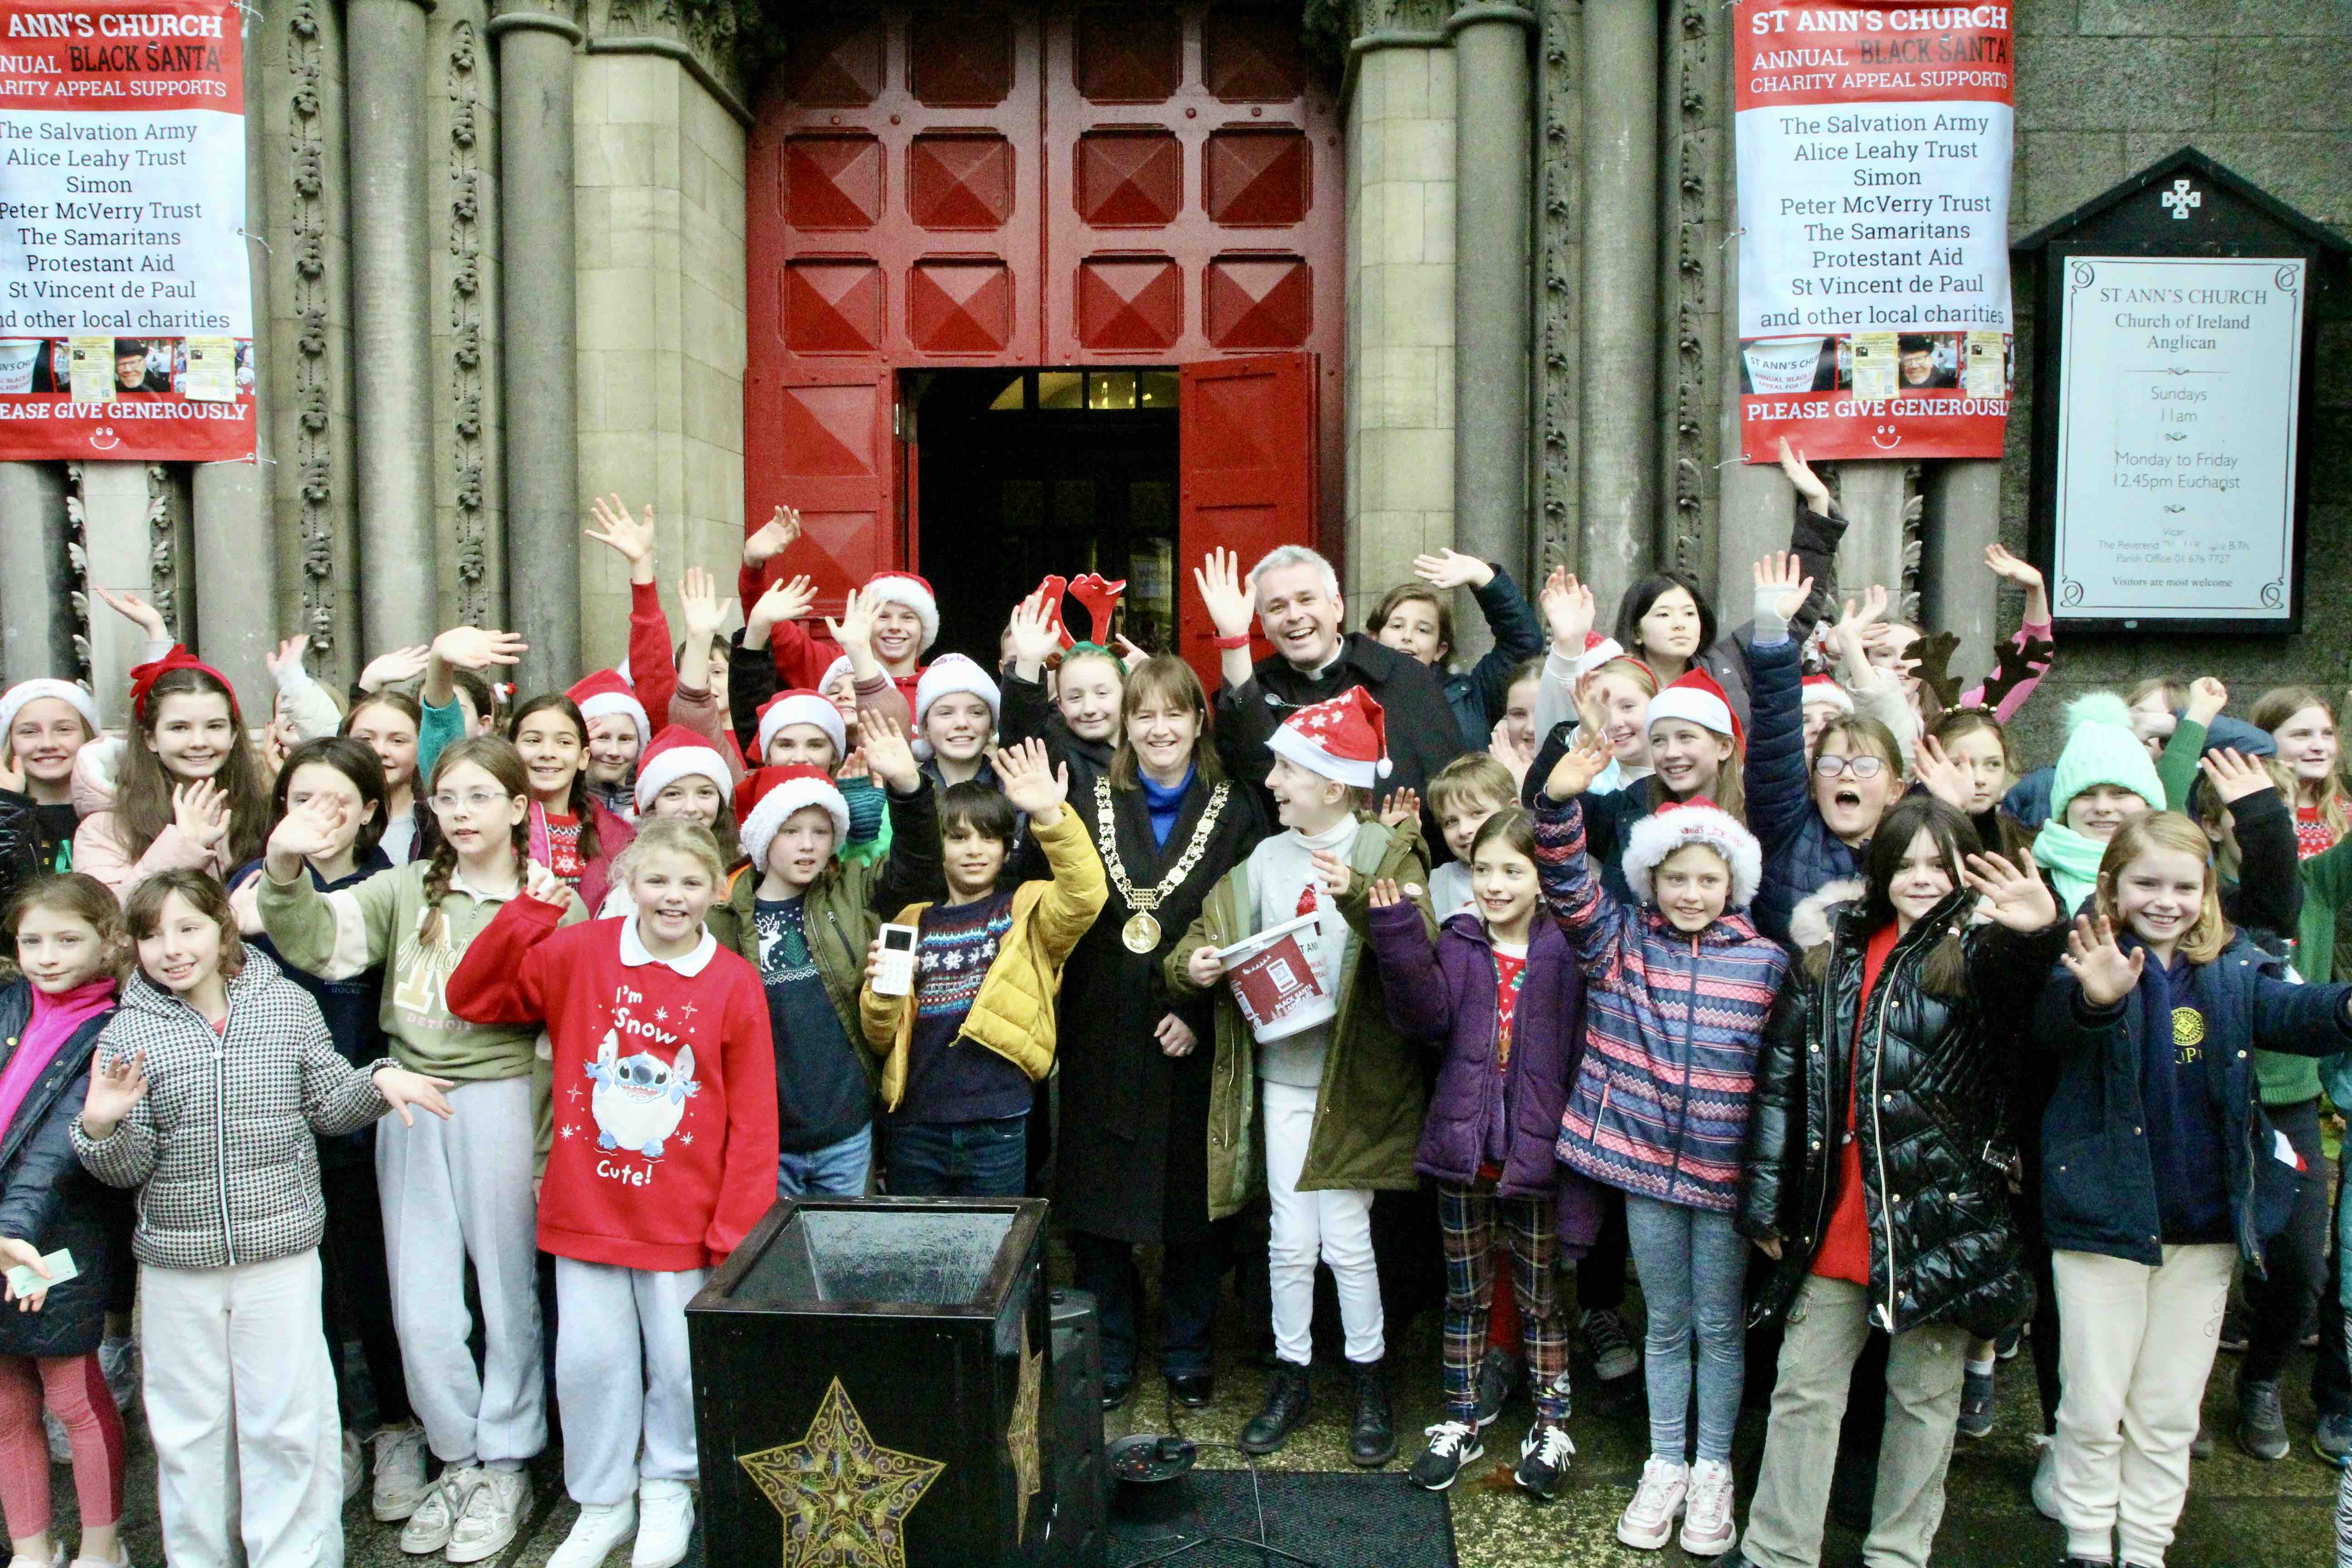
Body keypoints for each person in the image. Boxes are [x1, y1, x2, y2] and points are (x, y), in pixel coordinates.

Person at [259, 737, 587, 1563]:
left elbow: (563, 1037)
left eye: (482, 796)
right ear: (432, 811)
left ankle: (507, 1461)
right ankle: (456, 1453)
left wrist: (549, 1145)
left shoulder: (556, 901)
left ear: (519, 808)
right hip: (408, 1097)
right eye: (449, 798)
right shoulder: (406, 888)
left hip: (504, 1098)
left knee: (509, 1291)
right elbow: (317, 943)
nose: (463, 812)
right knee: (421, 1303)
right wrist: (285, 868)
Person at [73, 869, 452, 1568]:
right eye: (153, 936)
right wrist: (100, 1126)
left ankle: (295, 1557)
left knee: (287, 1422)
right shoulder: (128, 1030)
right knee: (189, 1433)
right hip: (176, 1265)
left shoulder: (285, 1007)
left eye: (188, 928)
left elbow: (328, 1104)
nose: (172, 949)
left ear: (223, 929)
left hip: (278, 1254)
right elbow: (127, 1168)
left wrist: (377, 1081)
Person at [1731, 797, 2063, 1568]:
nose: (1920, 878)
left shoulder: (1980, 954)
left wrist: (2040, 932)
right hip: (1835, 1210)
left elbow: (2026, 1003)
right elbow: (1782, 1080)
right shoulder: (1830, 953)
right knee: (1803, 1387)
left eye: (1936, 863)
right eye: (1903, 863)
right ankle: (1777, 1547)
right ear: (1878, 871)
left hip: (1938, 1216)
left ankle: (1897, 1551)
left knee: (1922, 1398)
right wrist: (1765, 1196)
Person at [448, 819, 779, 1568]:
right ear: (628, 882)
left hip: (683, 1221)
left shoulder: (732, 981)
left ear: (714, 890)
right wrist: (530, 912)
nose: (672, 897)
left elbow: (755, 1119)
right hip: (588, 1209)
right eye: (656, 879)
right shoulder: (581, 952)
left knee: (675, 1361)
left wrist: (735, 1233)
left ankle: (666, 1484)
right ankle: (600, 1500)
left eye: (691, 883)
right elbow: (474, 995)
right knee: (591, 1364)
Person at [2034, 813, 2352, 1568]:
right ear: (2111, 885)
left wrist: (2341, 1007)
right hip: (2100, 1221)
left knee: (2167, 1411)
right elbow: (2051, 1029)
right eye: (2145, 883)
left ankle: (2143, 1549)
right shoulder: (2082, 955)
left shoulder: (2234, 964)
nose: (2164, 899)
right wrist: (2098, 999)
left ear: (2206, 890)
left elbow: (2292, 1012)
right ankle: (2084, 1543)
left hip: (2205, 1225)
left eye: (2183, 885)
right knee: (2088, 1406)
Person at [1532, 731, 1787, 1558]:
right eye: (1674, 878)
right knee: (1664, 1322)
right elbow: (1568, 886)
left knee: (1719, 1325)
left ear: (1732, 885)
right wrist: (1557, 803)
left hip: (1720, 1178)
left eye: (1706, 879)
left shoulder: (1763, 964)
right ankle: (1664, 1460)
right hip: (1644, 1167)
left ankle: (1712, 1466)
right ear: (1649, 880)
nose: (1688, 892)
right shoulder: (1617, 946)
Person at [1167, 688, 1429, 1468]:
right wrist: (1196, 965)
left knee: (1346, 1241)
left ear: (1334, 784)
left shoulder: (1384, 852)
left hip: (1349, 1082)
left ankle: (1367, 1377)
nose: (1272, 781)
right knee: (1287, 1239)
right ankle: (1292, 1374)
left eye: (1287, 769)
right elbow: (1189, 943)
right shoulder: (1262, 860)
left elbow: (1417, 958)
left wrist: (1362, 906)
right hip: (1278, 1077)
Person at [1038, 655, 1266, 1411]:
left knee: (1188, 1206)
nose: (1159, 729)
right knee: (1100, 1206)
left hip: (1191, 1028)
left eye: (1174, 713)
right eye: (1144, 715)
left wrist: (1199, 1013)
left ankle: (1187, 1349)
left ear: (1200, 720)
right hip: (1099, 1024)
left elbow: (1246, 923)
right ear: (1124, 725)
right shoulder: (1087, 795)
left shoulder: (1234, 807)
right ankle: (1109, 1350)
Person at [1365, 808, 1593, 1500]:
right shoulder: (1463, 940)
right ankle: (1460, 1418)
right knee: (1464, 1295)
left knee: (1541, 1299)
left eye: (1511, 871)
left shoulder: (1566, 951)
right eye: (1483, 869)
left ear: (1542, 877)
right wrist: (1401, 939)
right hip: (1464, 1152)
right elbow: (1425, 1017)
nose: (1494, 885)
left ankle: (1554, 1423)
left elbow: (1582, 1052)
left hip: (1537, 1158)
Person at [226, 738, 427, 1519]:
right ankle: (330, 1428)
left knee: (373, 1281)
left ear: (374, 810)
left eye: (338, 799)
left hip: (369, 1107)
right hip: (274, 1119)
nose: (318, 815)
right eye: (301, 798)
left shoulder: (389, 888)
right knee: (297, 1291)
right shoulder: (254, 889)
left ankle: (396, 1426)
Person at [859, 739, 1105, 1198]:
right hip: (917, 1122)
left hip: (999, 1121)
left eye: (989, 837)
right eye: (959, 837)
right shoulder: (910, 920)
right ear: (940, 846)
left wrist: (1050, 816)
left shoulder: (1025, 909)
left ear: (1007, 847)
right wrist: (883, 993)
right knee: (922, 1255)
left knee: (997, 1254)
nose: (975, 850)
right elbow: (879, 1037)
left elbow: (1085, 894)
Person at [717, 710, 940, 1199]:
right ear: (762, 837)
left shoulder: (853, 890)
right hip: (767, 1137)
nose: (807, 845)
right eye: (791, 831)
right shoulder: (724, 918)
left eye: (820, 831)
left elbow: (920, 866)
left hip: (846, 1130)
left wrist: (908, 788)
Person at [0, 875, 131, 1568]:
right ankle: (31, 1549)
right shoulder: (10, 1005)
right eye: (32, 941)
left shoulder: (110, 1028)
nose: (47, 956)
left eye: (67, 939)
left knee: (71, 1393)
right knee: (6, 1407)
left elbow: (56, 1146)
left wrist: (13, 1233)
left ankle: (103, 1547)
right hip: (2, 1235)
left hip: (57, 1239)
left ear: (108, 942)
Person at [1194, 545, 1465, 849]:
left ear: (1337, 606)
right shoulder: (1257, 686)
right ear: (1265, 627)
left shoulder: (1406, 678)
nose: (1294, 616)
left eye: (1306, 599)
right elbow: (1250, 771)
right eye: (1277, 608)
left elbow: (1449, 785)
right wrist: (1234, 642)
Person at [1606, 439, 1846, 732]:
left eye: (1689, 614)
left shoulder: (1728, 663)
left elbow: (1793, 613)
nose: (1680, 624)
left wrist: (1818, 504)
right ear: (1636, 631)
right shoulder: (1612, 685)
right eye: (1664, 615)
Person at [74, 647, 272, 901]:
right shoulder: (105, 828)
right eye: (179, 728)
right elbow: (107, 922)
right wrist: (183, 846)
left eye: (215, 726)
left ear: (233, 735)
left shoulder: (263, 812)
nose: (199, 742)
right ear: (151, 738)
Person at [1363, 549, 1546, 751]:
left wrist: (1483, 577)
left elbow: (1524, 642)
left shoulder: (1470, 699)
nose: (1407, 636)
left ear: (1440, 649)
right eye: (1397, 626)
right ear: (1374, 638)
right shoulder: (1352, 696)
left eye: (1423, 630)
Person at [594, 727, 740, 919]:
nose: (691, 807)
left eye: (705, 793)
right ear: (652, 804)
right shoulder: (633, 874)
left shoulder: (744, 865)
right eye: (673, 794)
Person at [509, 694, 635, 914]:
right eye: (533, 740)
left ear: (584, 757)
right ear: (511, 750)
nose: (548, 754)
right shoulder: (493, 823)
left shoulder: (614, 837)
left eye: (564, 743)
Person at [0, 681, 101, 876]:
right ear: (9, 743)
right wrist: (7, 808)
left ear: (88, 736)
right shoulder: (3, 813)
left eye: (64, 729)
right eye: (29, 732)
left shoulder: (121, 812)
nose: (47, 744)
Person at [343, 691, 426, 864]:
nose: (380, 751)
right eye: (366, 739)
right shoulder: (328, 815)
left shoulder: (435, 822)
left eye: (397, 741)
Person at [566, 671, 650, 824]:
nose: (614, 752)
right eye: (603, 738)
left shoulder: (651, 803)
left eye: (625, 739)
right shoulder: (558, 799)